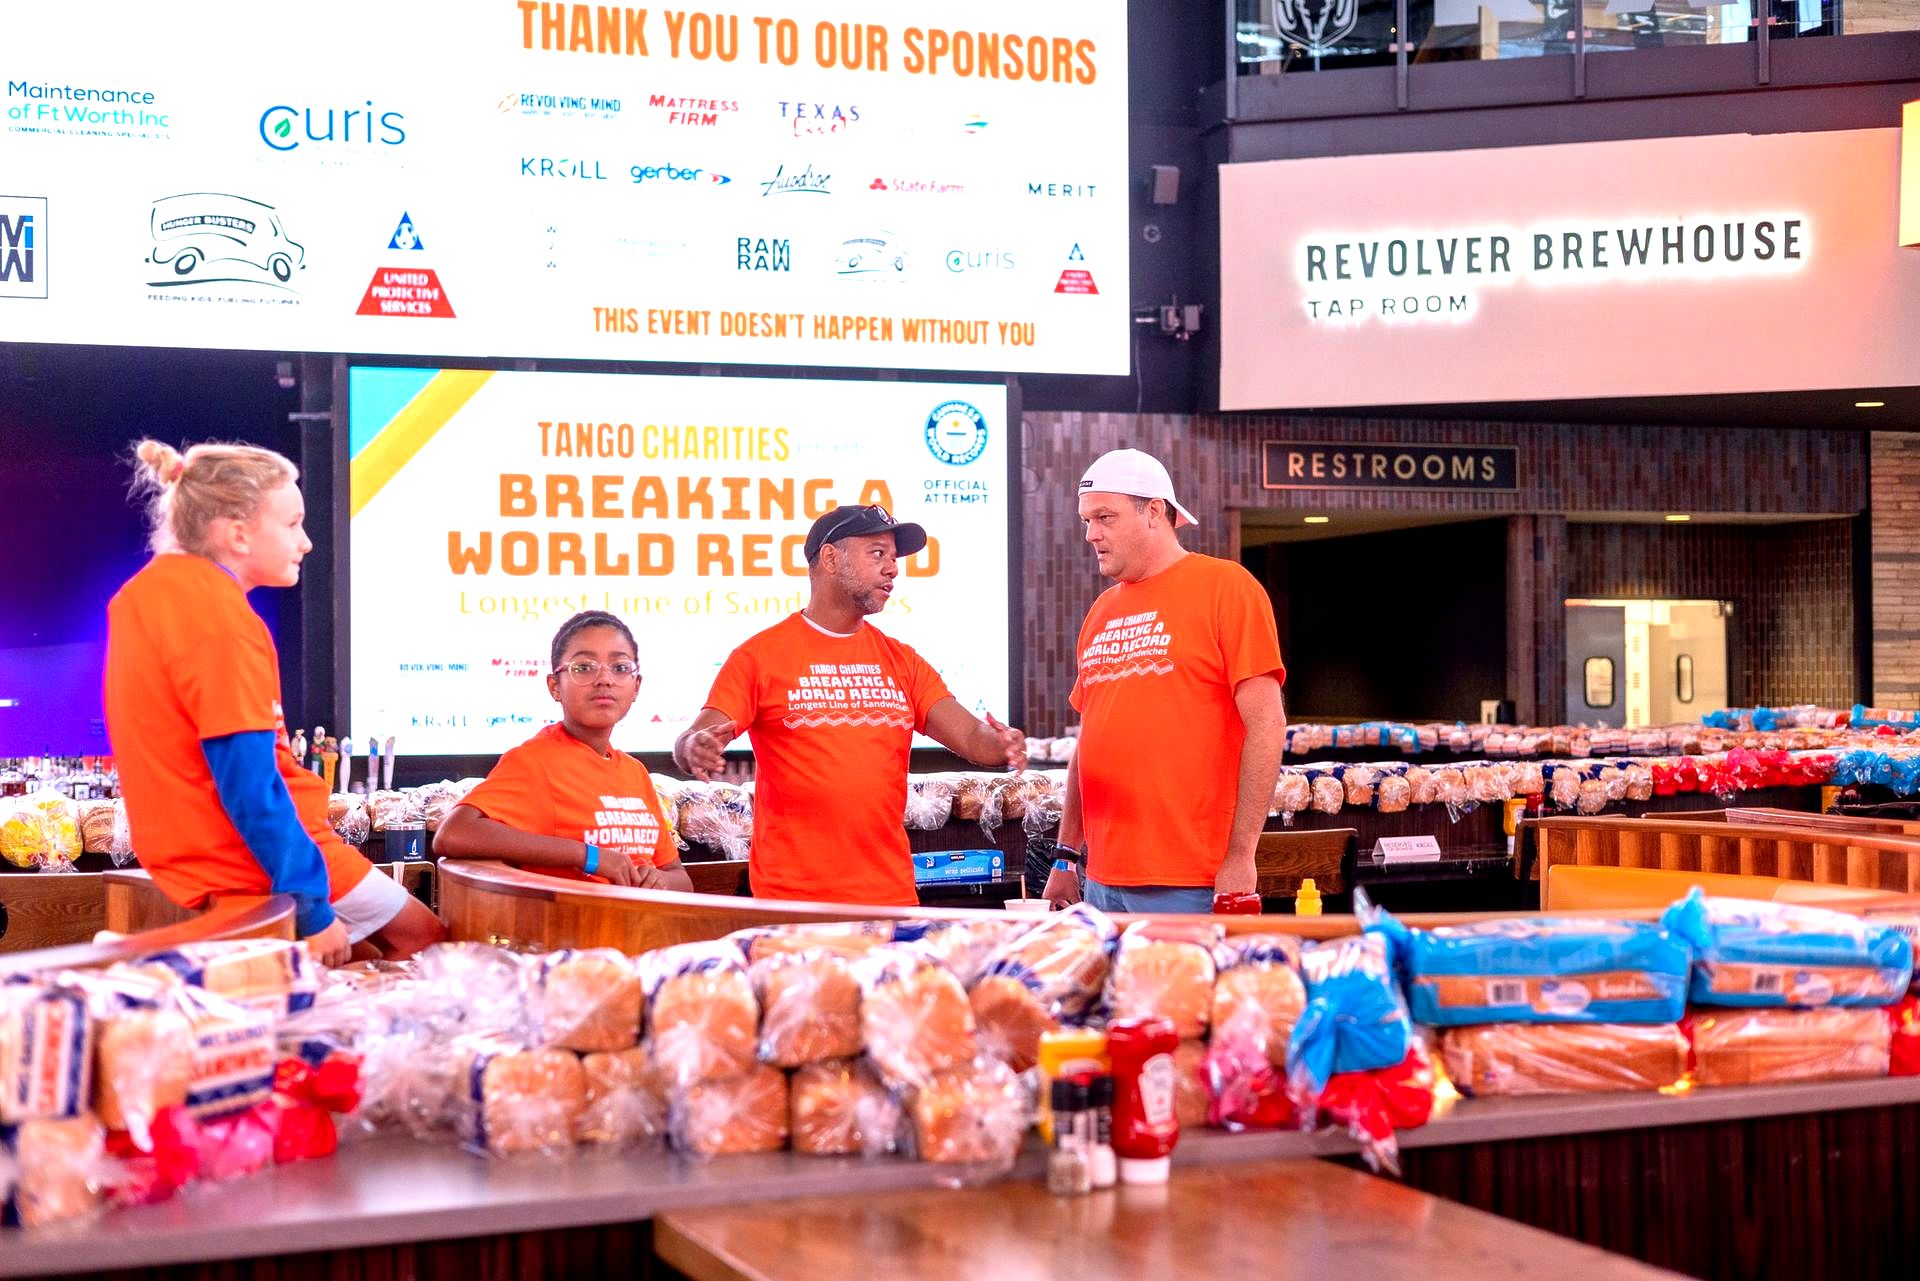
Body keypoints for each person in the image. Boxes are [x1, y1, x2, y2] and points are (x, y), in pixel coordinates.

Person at [104, 440, 445, 965]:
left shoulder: (144, 595)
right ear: (238, 534)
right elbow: (251, 784)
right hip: (260, 860)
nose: (306, 542)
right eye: (292, 524)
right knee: (426, 942)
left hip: (206, 859)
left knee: (360, 960)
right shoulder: (221, 620)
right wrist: (310, 905)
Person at [673, 504, 1025, 906]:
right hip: (793, 902)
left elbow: (971, 735)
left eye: (894, 558)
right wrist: (694, 747)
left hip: (890, 898)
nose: (892, 569)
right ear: (830, 558)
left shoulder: (902, 660)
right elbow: (695, 736)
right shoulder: (759, 657)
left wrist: (1001, 744)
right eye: (877, 554)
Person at [1042, 448, 1287, 914]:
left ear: (1154, 512)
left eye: (1105, 517)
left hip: (1192, 878)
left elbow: (1267, 726)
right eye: (1087, 520)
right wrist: (1066, 854)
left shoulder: (1227, 588)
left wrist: (1241, 856)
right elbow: (1089, 740)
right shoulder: (1101, 611)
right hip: (1101, 879)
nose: (1091, 533)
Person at [435, 611, 694, 892]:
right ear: (555, 686)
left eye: (620, 667)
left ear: (636, 687)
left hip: (642, 919)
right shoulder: (535, 761)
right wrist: (589, 856)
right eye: (583, 667)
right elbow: (453, 834)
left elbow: (679, 878)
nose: (604, 679)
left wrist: (659, 881)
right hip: (571, 919)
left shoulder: (635, 772)